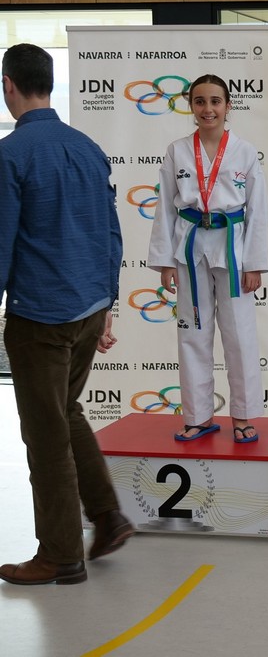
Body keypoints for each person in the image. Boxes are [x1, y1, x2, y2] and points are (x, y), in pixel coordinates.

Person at [0, 43, 133, 585]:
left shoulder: (10, 155)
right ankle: (108, 515)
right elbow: (112, 234)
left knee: (45, 433)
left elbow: (1, 244)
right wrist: (108, 303)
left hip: (41, 317)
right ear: (49, 83)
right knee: (66, 411)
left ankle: (59, 555)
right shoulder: (88, 147)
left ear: (9, 85)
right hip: (88, 308)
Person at [147, 74, 268, 443]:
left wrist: (254, 264)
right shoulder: (177, 150)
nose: (208, 109)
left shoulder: (245, 152)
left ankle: (243, 415)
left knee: (240, 336)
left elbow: (257, 211)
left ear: (228, 106)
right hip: (189, 248)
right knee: (193, 334)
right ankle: (198, 417)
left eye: (215, 101)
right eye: (200, 101)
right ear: (191, 106)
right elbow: (164, 208)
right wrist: (165, 261)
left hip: (233, 250)